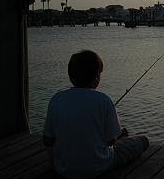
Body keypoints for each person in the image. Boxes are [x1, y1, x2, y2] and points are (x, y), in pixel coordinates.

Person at [43, 50, 149, 178]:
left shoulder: (56, 99)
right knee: (143, 141)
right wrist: (119, 137)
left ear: (70, 77)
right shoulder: (103, 99)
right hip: (99, 166)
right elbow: (110, 141)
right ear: (97, 77)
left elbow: (48, 140)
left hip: (63, 169)